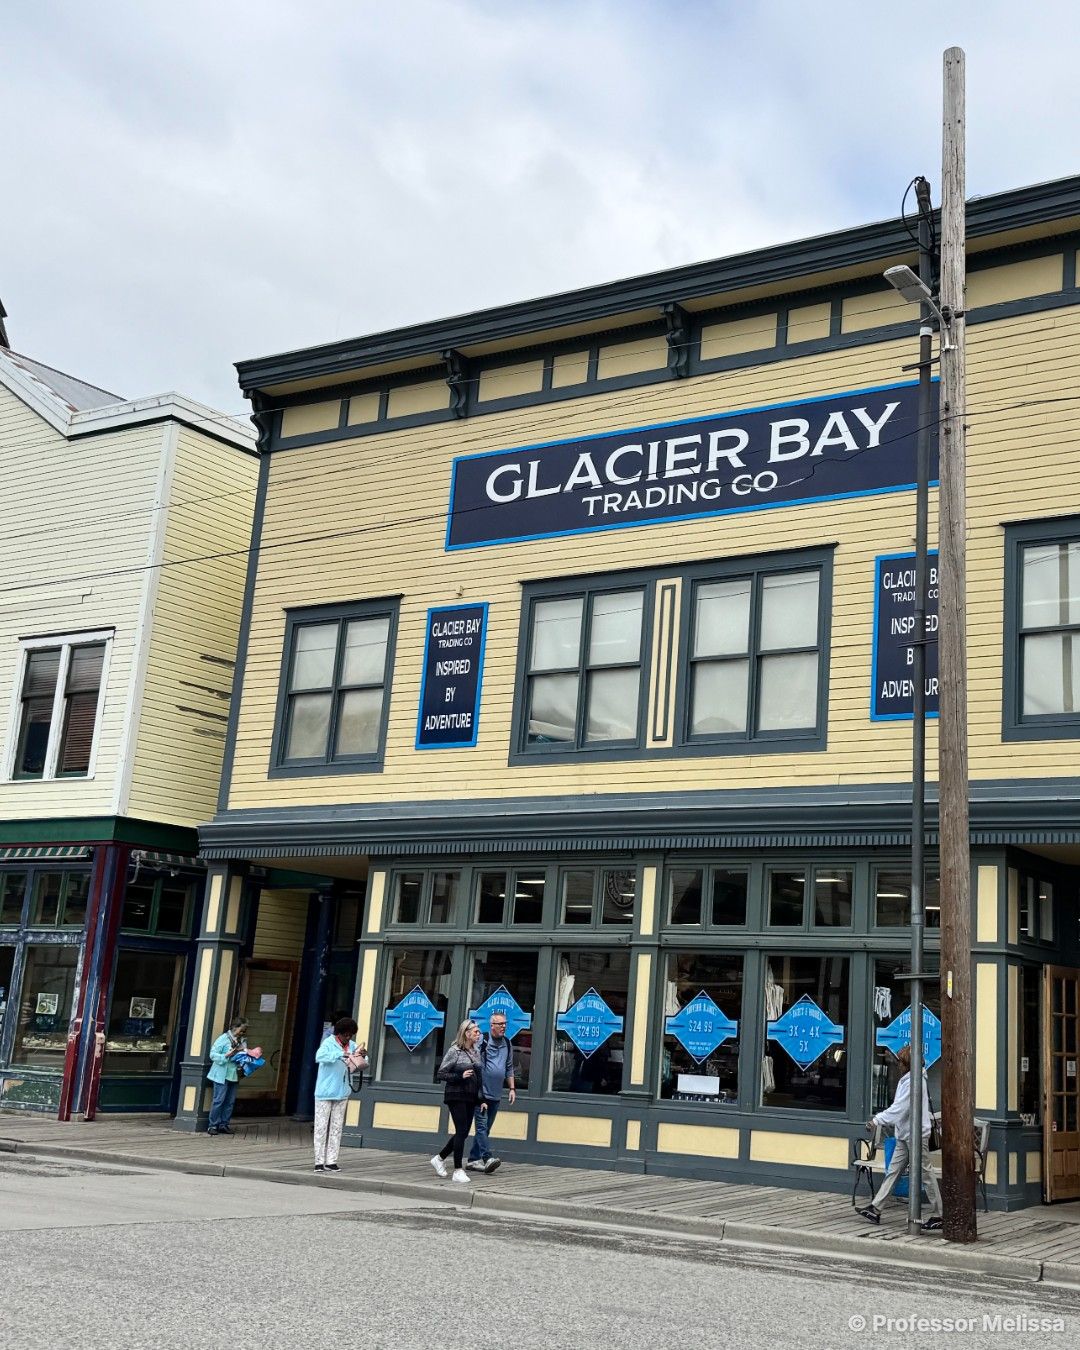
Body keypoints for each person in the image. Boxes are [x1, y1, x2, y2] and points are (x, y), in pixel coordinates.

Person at [857, 1044, 943, 1230]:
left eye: (901, 1062)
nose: (898, 1065)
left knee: (926, 1174)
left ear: (908, 1064)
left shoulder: (913, 1082)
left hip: (916, 1135)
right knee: (894, 1171)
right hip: (906, 1134)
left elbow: (899, 1109)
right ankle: (876, 1208)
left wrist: (876, 1120)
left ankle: (939, 1214)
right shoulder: (909, 1080)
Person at [313, 1016, 368, 1173]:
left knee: (336, 1128)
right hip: (325, 1092)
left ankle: (332, 1161)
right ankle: (318, 1161)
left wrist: (362, 1055)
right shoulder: (328, 1043)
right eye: (345, 1035)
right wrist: (339, 1055)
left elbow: (362, 1062)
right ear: (339, 1033)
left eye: (350, 1035)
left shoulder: (353, 1045)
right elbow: (319, 1056)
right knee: (321, 1127)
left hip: (343, 1091)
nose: (348, 1038)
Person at [431, 1019, 483, 1184]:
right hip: (456, 1095)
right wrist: (460, 1076)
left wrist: (481, 1099)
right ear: (467, 1033)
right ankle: (458, 1170)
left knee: (464, 1132)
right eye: (476, 1031)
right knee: (461, 1130)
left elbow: (479, 1077)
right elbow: (441, 1073)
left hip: (471, 1096)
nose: (479, 1034)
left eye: (479, 1031)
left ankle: (439, 1158)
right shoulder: (454, 1051)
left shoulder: (476, 1051)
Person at [466, 1013, 516, 1174]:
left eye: (505, 1024)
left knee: (486, 1128)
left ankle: (473, 1160)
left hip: (496, 1093)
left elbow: (509, 1067)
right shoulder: (483, 1040)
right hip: (481, 1093)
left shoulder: (507, 1043)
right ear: (492, 1025)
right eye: (500, 1024)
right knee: (481, 1127)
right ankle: (487, 1158)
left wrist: (512, 1089)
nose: (503, 1027)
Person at [206, 1017, 248, 1136]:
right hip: (221, 1074)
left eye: (244, 1031)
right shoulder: (223, 1039)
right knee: (219, 1100)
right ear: (234, 1027)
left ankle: (224, 1125)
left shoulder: (242, 1040)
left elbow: (243, 1055)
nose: (242, 1033)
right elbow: (212, 1055)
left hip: (234, 1074)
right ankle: (212, 1125)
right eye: (241, 1030)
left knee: (230, 1102)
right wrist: (226, 1056)